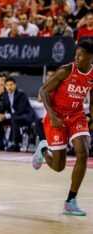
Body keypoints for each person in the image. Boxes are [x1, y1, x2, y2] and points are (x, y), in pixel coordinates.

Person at [33, 40, 93, 216]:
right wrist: (52, 115)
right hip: (57, 116)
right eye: (77, 53)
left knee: (83, 153)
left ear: (90, 57)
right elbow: (43, 91)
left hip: (76, 115)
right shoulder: (66, 70)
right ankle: (43, 149)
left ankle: (70, 201)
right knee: (59, 166)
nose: (77, 55)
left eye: (81, 54)